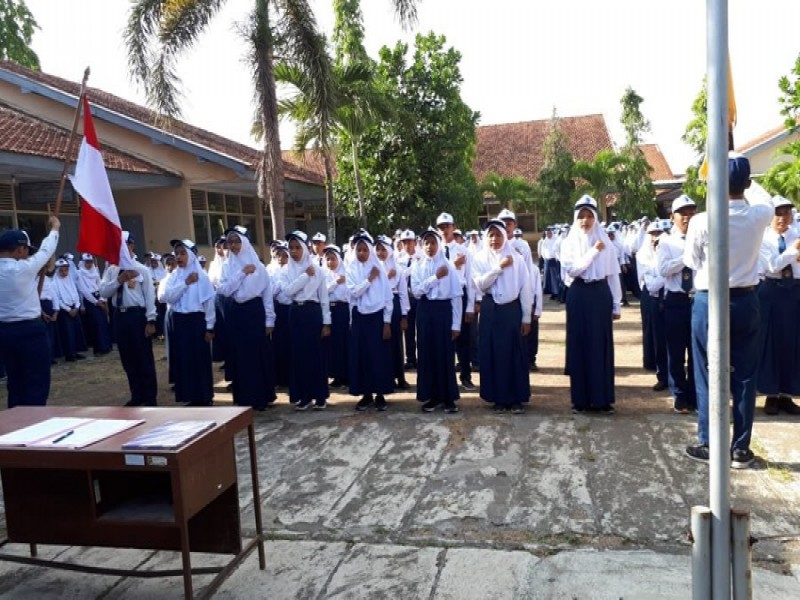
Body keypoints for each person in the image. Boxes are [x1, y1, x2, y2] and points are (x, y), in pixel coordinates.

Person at [684, 153, 773, 469]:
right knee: (746, 377)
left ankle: (710, 442)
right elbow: (765, 198)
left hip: (710, 301)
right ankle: (740, 449)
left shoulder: (701, 220)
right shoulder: (759, 215)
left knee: (707, 373)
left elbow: (691, 261)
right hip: (746, 300)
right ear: (746, 184)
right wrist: (741, 171)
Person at [560, 195, 622, 414]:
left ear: (595, 218)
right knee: (579, 344)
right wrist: (594, 251)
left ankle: (602, 399)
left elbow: (613, 275)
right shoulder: (568, 243)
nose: (585, 221)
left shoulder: (607, 244)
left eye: (589, 216)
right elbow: (573, 270)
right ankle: (581, 400)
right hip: (578, 293)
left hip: (600, 294)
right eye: (581, 217)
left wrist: (616, 304)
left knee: (600, 345)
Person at [471, 219, 532, 413]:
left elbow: (526, 288)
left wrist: (526, 317)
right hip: (490, 309)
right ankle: (498, 398)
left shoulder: (517, 259)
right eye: (491, 235)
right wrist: (499, 267)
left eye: (498, 235)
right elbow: (481, 284)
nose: (494, 239)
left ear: (505, 236)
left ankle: (515, 399)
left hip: (511, 310)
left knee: (513, 353)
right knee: (493, 353)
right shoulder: (479, 259)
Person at [0, 218, 60, 407]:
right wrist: (55, 229)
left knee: (15, 380)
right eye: (26, 250)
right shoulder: (23, 268)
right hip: (29, 331)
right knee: (36, 380)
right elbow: (46, 251)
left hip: (4, 331)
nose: (28, 254)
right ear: (19, 249)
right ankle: (34, 419)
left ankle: (15, 418)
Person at [217, 226, 276, 410]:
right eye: (230, 242)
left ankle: (260, 397)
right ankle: (244, 397)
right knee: (239, 355)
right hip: (236, 312)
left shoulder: (259, 266)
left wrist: (269, 320)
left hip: (254, 312)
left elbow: (267, 294)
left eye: (237, 241)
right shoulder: (227, 266)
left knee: (256, 355)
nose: (233, 245)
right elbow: (225, 290)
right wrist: (242, 273)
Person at [99, 232, 159, 406]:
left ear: (132, 246)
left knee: (143, 357)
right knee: (128, 358)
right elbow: (103, 292)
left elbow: (149, 296)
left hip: (137, 316)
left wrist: (151, 320)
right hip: (120, 315)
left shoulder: (141, 269)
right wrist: (119, 280)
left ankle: (149, 397)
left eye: (125, 245)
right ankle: (136, 395)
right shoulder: (112, 270)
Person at [410, 228, 462, 412]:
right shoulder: (418, 266)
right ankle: (432, 396)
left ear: (439, 245)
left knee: (445, 353)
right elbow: (416, 291)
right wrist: (435, 278)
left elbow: (456, 296)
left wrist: (456, 324)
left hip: (443, 312)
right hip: (425, 311)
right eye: (426, 243)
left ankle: (448, 397)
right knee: (427, 353)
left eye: (433, 243)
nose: (429, 247)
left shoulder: (448, 266)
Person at [756, 195, 800, 415]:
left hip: (795, 291)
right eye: (778, 213)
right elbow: (773, 265)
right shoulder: (763, 238)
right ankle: (771, 394)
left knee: (792, 343)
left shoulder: (796, 233)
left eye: (786, 213)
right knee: (771, 344)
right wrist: (794, 251)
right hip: (772, 290)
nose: (782, 218)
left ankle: (787, 394)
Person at [159, 239, 216, 406]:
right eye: (177, 254)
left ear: (191, 256)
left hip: (196, 322)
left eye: (183, 253)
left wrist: (210, 327)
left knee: (199, 360)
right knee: (184, 359)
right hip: (179, 321)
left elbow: (209, 303)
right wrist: (185, 283)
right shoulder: (174, 276)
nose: (178, 257)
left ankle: (204, 397)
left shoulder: (202, 277)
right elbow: (167, 297)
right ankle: (189, 395)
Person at [657, 195, 698, 413]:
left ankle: (695, 394)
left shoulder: (701, 238)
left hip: (697, 299)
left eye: (691, 212)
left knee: (697, 352)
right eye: (683, 213)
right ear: (672, 217)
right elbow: (663, 270)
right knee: (676, 351)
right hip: (675, 300)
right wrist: (685, 258)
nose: (687, 217)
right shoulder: (666, 241)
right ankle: (680, 395)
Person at [346, 231, 394, 411]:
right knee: (362, 356)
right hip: (360, 317)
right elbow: (354, 293)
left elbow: (388, 297)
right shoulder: (351, 269)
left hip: (377, 317)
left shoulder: (378, 268)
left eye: (365, 250)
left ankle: (380, 394)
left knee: (378, 356)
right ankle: (366, 394)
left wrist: (387, 322)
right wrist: (369, 279)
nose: (361, 253)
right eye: (359, 250)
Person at [284, 230, 331, 410]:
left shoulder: (317, 270)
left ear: (304, 248)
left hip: (313, 313)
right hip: (296, 312)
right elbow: (288, 291)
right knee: (299, 355)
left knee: (316, 355)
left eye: (297, 247)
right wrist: (305, 276)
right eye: (291, 248)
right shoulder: (287, 269)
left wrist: (326, 323)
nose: (294, 251)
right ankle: (304, 396)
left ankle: (320, 396)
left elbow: (324, 297)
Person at [437, 212, 477, 391]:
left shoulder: (463, 251)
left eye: (447, 226)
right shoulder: (434, 251)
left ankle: (466, 376)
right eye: (441, 227)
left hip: (460, 295)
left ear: (453, 227)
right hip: (443, 298)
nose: (444, 230)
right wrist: (453, 265)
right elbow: (437, 275)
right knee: (445, 340)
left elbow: (470, 279)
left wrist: (470, 306)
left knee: (463, 339)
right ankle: (447, 378)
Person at [376, 234, 411, 390]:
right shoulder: (373, 267)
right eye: (378, 250)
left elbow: (403, 293)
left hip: (394, 302)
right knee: (382, 342)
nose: (381, 253)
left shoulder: (397, 268)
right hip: (378, 305)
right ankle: (386, 377)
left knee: (396, 342)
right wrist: (385, 276)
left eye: (383, 249)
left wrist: (404, 315)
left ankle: (400, 377)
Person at [637, 221, 668, 393]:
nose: (656, 237)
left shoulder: (669, 250)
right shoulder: (643, 254)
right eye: (653, 234)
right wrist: (669, 274)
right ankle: (660, 371)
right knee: (656, 335)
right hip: (653, 298)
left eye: (659, 233)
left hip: (672, 298)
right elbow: (652, 285)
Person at [323, 244, 350, 388]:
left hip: (343, 310)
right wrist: (336, 282)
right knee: (333, 345)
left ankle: (346, 375)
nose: (330, 262)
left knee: (344, 343)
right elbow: (323, 292)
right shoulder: (324, 274)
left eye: (333, 259)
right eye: (328, 259)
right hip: (330, 310)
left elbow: (349, 295)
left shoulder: (346, 273)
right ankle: (336, 375)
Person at [76, 253, 112, 356]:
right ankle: (98, 349)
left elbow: (100, 284)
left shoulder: (94, 271)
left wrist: (101, 298)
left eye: (90, 262)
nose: (89, 264)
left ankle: (106, 346)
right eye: (87, 262)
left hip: (98, 297)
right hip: (90, 300)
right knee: (96, 323)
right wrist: (96, 302)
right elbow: (83, 290)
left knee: (103, 322)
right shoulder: (80, 273)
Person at [52, 258, 87, 362]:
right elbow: (57, 299)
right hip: (65, 311)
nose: (64, 272)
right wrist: (68, 310)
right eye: (62, 270)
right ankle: (69, 354)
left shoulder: (70, 279)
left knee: (76, 331)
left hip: (74, 308)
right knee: (67, 333)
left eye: (66, 270)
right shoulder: (54, 282)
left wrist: (76, 306)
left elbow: (75, 293)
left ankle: (76, 351)